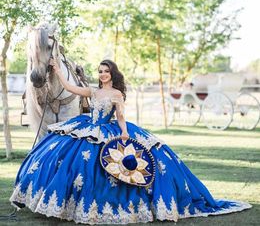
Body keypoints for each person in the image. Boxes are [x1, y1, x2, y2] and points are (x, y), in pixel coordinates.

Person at [10, 59, 251, 224]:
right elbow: (70, 87)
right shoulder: (93, 91)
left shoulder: (116, 94)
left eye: (106, 71)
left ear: (112, 74)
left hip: (110, 129)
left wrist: (124, 133)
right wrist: (57, 70)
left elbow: (121, 115)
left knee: (120, 167)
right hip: (88, 127)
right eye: (100, 70)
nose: (102, 74)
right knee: (64, 157)